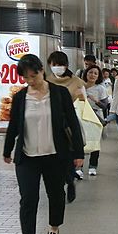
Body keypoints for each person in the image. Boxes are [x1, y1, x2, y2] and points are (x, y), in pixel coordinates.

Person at [3, 54, 84, 234]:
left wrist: (78, 153)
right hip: (28, 156)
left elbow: (73, 124)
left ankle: (54, 227)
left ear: (41, 71)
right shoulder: (21, 97)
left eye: (33, 75)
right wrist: (7, 149)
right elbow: (14, 125)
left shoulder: (59, 94)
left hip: (54, 155)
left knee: (56, 194)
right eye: (26, 77)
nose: (30, 81)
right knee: (28, 199)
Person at [46, 51, 86, 199]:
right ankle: (60, 185)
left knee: (68, 157)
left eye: (61, 64)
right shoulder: (45, 81)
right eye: (54, 64)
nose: (57, 67)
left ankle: (70, 181)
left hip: (68, 124)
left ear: (66, 65)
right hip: (49, 124)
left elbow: (83, 102)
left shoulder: (76, 82)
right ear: (50, 65)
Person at [83, 65, 109, 175]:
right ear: (86, 73)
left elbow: (105, 106)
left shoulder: (101, 89)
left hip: (95, 115)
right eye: (90, 72)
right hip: (82, 114)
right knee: (80, 140)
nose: (92, 75)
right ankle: (78, 167)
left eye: (95, 73)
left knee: (94, 141)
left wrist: (96, 100)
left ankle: (93, 166)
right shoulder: (80, 86)